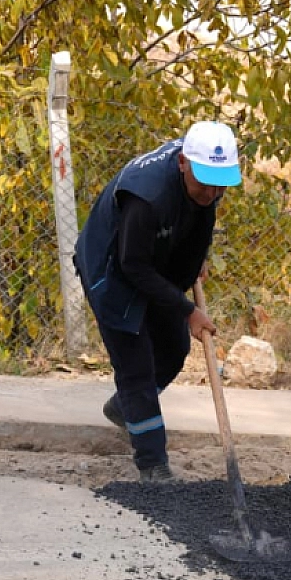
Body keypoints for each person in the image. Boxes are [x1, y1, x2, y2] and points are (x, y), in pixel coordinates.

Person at [74, 121, 242, 482]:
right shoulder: (146, 198)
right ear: (183, 163)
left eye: (221, 183)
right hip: (112, 270)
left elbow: (201, 220)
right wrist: (187, 310)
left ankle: (126, 408)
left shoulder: (206, 183)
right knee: (136, 368)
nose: (213, 192)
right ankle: (153, 467)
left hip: (153, 263)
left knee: (173, 348)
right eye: (206, 182)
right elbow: (131, 265)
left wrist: (197, 259)